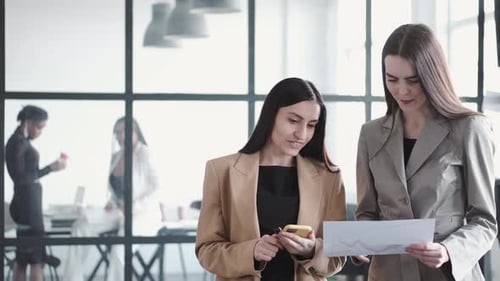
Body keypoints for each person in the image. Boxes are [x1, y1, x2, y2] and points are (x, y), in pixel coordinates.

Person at [354, 23, 497, 281]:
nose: (402, 91)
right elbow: (367, 213)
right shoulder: (370, 135)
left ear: (432, 75)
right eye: (392, 79)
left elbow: (485, 222)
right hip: (388, 275)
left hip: (447, 274)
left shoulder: (469, 129)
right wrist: (360, 240)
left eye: (413, 80)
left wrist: (447, 250)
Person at [195, 77, 347, 281]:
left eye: (311, 125)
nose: (302, 134)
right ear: (270, 116)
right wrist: (252, 252)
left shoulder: (329, 177)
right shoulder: (221, 171)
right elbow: (207, 251)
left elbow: (336, 259)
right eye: (293, 121)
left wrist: (311, 251)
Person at [62, 116, 162, 281]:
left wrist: (132, 206)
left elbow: (157, 189)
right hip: (119, 211)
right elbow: (116, 189)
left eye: (124, 131)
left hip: (143, 214)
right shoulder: (116, 156)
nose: (120, 136)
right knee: (81, 226)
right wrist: (113, 201)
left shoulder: (146, 154)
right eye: (117, 133)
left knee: (119, 249)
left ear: (136, 132)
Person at [5, 105, 67, 281]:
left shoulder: (21, 142)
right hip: (27, 207)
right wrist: (50, 168)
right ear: (27, 123)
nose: (40, 132)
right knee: (35, 258)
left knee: (24, 257)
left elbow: (26, 175)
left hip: (27, 204)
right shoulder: (17, 143)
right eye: (39, 127)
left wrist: (50, 168)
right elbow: (20, 178)